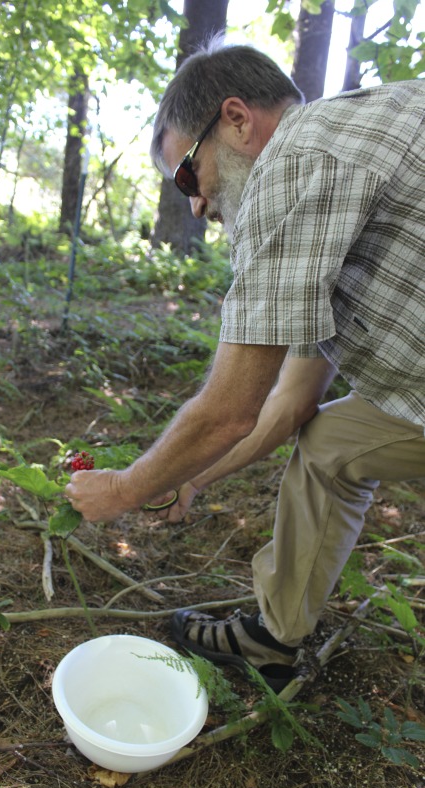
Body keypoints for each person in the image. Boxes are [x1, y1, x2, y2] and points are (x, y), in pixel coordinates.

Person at [66, 38, 425, 690]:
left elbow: (228, 413)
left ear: (236, 120)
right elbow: (289, 404)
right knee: (330, 445)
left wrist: (124, 490)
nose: (195, 206)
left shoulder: (290, 166)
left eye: (186, 176)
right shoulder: (343, 147)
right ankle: (273, 640)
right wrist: (194, 477)